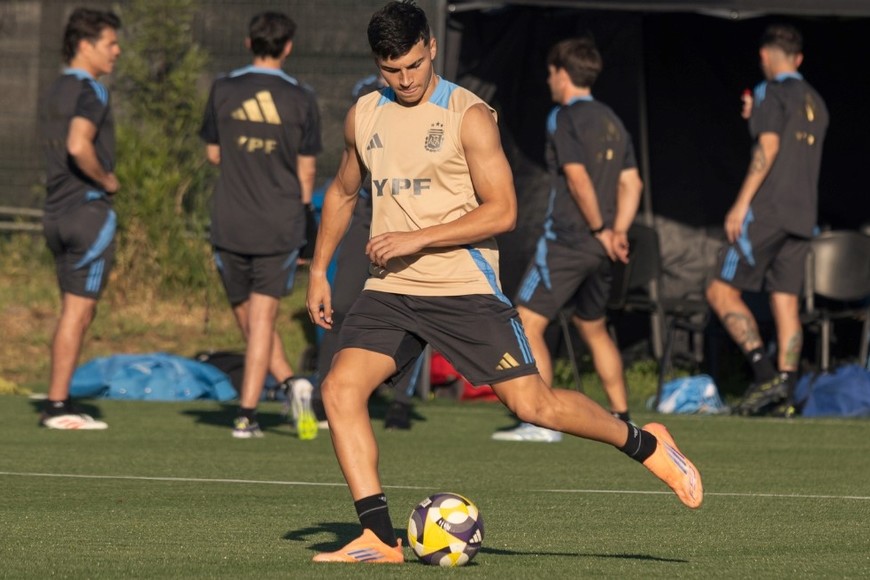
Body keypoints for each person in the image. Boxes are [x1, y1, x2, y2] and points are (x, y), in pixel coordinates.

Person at [305, 1, 702, 564]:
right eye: (392, 70)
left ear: (432, 48)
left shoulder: (468, 115)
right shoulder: (364, 115)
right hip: (391, 290)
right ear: (378, 64)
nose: (406, 79)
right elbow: (344, 193)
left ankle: (646, 442)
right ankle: (379, 536)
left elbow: (504, 212)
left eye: (415, 64)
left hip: (461, 287)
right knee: (339, 391)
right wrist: (318, 270)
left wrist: (418, 238)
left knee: (535, 406)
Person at [491, 37, 643, 443]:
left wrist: (599, 228)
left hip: (570, 240)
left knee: (526, 322)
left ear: (563, 74)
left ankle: (540, 422)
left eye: (551, 73)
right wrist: (617, 232)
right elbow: (632, 183)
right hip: (601, 247)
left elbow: (577, 178)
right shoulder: (612, 120)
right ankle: (623, 417)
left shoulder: (563, 116)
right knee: (593, 326)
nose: (548, 81)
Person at [200, 11, 322, 438]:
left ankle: (247, 413)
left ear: (249, 43)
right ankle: (292, 385)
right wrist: (307, 225)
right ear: (288, 47)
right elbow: (307, 171)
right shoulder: (301, 97)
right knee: (257, 323)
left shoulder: (223, 88)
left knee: (256, 321)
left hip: (231, 220)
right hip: (278, 222)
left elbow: (213, 154)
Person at [706, 23, 828, 417]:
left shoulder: (769, 91)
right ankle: (787, 397)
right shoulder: (815, 100)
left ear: (764, 56)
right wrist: (756, 118)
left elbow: (770, 146)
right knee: (785, 302)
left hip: (769, 210)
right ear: (799, 58)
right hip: (803, 215)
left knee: (719, 290)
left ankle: (764, 374)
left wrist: (741, 204)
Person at [312, 73, 419, 431]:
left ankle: (400, 403)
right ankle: (324, 397)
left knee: (416, 314)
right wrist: (317, 270)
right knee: (340, 306)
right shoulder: (365, 99)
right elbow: (344, 186)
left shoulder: (432, 101)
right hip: (367, 218)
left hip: (414, 223)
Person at [39, 8, 122, 430]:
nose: (117, 51)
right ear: (85, 45)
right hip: (87, 213)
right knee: (78, 313)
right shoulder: (93, 90)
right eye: (110, 43)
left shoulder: (55, 88)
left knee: (71, 311)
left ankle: (58, 399)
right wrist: (106, 179)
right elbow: (78, 144)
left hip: (54, 214)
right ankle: (57, 406)